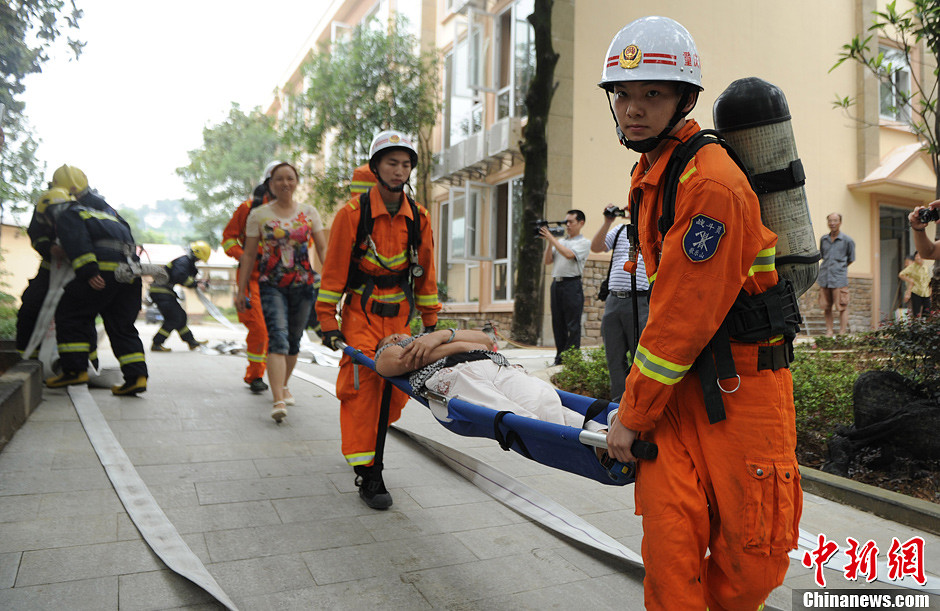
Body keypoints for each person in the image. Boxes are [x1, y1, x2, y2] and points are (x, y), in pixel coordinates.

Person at [599, 17, 802, 609]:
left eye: (651, 94)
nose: (633, 108)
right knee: (670, 550)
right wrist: (643, 407)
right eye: (624, 94)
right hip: (680, 390)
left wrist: (631, 416)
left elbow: (681, 318)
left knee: (748, 564)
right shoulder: (653, 172)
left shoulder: (709, 182)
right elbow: (672, 319)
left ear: (684, 98)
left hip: (743, 391)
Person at [315, 130, 441, 510]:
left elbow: (427, 273)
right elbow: (334, 269)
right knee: (362, 388)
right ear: (376, 167)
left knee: (396, 392)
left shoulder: (418, 217)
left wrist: (431, 322)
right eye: (391, 162)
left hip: (399, 315)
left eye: (405, 164)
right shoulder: (351, 215)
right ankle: (369, 470)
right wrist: (327, 320)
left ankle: (369, 445)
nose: (399, 170)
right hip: (360, 315)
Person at [236, 161, 327, 422]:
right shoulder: (259, 215)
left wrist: (332, 282)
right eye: (279, 179)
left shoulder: (309, 212)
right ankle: (278, 400)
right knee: (278, 337)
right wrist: (241, 290)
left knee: (294, 341)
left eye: (290, 178)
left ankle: (284, 385)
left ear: (296, 182)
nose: (285, 183)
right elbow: (250, 254)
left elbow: (322, 249)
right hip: (271, 285)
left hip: (303, 284)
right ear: (270, 184)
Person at [374, 329, 604, 432]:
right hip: (451, 374)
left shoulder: (431, 336)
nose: (395, 336)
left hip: (495, 365)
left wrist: (441, 335)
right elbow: (393, 364)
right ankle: (574, 442)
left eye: (398, 334)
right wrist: (459, 345)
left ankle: (599, 433)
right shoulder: (392, 350)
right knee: (514, 415)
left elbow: (484, 340)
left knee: (545, 400)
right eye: (389, 339)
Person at [43, 186, 148, 395]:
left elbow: (77, 241)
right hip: (129, 274)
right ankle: (137, 377)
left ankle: (74, 370)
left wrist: (88, 271)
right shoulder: (112, 217)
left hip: (103, 272)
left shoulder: (70, 214)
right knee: (122, 326)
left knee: (71, 314)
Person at [222, 161, 280, 394]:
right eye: (278, 180)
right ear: (268, 183)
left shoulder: (294, 213)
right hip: (252, 279)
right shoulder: (247, 208)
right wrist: (246, 256)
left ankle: (277, 378)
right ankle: (255, 376)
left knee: (278, 331)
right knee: (259, 328)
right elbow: (228, 239)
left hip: (279, 281)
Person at [591, 204, 649, 402]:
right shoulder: (619, 230)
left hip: (640, 301)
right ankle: (618, 402)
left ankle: (638, 402)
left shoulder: (652, 230)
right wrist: (608, 221)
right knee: (614, 357)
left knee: (639, 357)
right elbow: (596, 247)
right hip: (614, 300)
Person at [542, 209, 590, 366]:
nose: (567, 225)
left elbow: (569, 255)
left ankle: (572, 360)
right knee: (558, 323)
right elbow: (548, 261)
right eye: (566, 222)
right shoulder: (560, 242)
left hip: (572, 285)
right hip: (557, 284)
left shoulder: (584, 242)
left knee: (572, 325)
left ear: (581, 223)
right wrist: (550, 242)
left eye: (571, 222)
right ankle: (560, 358)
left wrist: (552, 238)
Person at [149, 242, 212, 352]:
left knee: (181, 316)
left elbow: (182, 276)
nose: (198, 261)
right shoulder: (183, 262)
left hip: (163, 291)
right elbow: (179, 276)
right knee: (174, 318)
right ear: (195, 255)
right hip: (160, 291)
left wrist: (197, 282)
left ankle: (191, 342)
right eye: (198, 259)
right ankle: (157, 343)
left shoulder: (184, 262)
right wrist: (196, 284)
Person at [817, 212, 856, 336]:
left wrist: (840, 268)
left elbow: (851, 258)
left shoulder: (847, 240)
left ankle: (842, 333)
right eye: (830, 221)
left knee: (842, 307)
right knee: (826, 307)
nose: (832, 223)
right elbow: (822, 256)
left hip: (839, 279)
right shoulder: (823, 239)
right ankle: (829, 331)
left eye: (835, 220)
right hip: (824, 277)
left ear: (840, 222)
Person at [899, 252, 932, 318]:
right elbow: (908, 282)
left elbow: (929, 281)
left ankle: (925, 326)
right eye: (916, 256)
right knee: (915, 313)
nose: (906, 264)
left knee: (927, 312)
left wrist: (930, 293)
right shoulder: (912, 268)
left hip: (925, 293)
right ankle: (916, 326)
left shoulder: (926, 267)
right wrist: (907, 293)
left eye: (907, 262)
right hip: (915, 292)